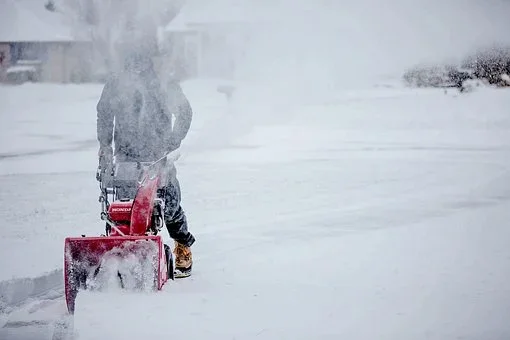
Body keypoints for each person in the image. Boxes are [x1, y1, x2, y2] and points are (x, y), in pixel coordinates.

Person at [95, 50, 195, 277]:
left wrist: (172, 142)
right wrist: (105, 146)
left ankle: (182, 245)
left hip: (158, 155)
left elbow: (184, 112)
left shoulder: (163, 82)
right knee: (123, 209)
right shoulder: (117, 82)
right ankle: (119, 253)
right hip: (126, 156)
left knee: (168, 205)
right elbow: (104, 111)